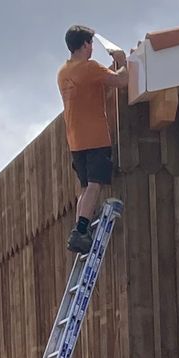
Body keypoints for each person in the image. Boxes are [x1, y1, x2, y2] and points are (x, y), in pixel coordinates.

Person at [58, 25, 128, 254]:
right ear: (86, 44)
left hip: (75, 140)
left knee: (86, 186)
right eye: (91, 44)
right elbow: (120, 81)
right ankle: (80, 230)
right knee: (94, 185)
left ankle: (79, 230)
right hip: (95, 137)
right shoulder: (89, 68)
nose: (92, 49)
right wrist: (122, 61)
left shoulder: (63, 73)